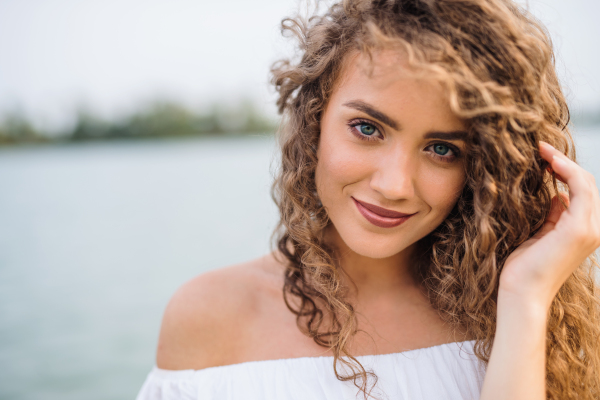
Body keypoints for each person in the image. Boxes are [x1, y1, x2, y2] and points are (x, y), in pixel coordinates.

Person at [136, 0, 600, 399]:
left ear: (482, 167)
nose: (395, 185)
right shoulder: (207, 317)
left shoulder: (525, 315)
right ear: (314, 120)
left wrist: (526, 297)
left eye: (442, 149)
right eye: (367, 128)